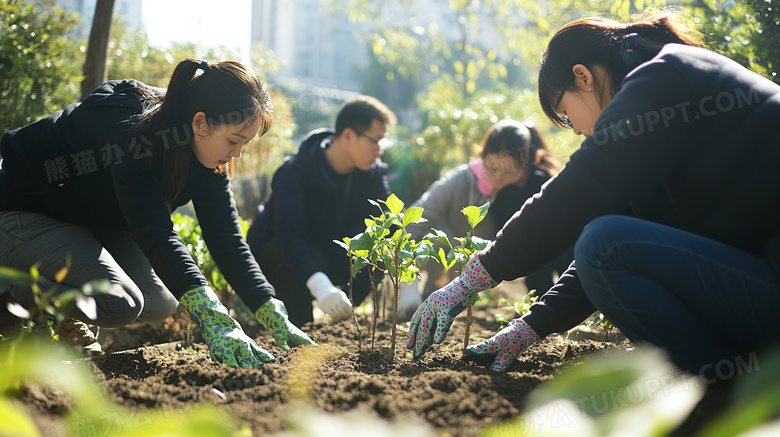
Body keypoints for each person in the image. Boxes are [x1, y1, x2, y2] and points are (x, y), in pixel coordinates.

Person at [407, 11, 780, 378]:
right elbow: (626, 244)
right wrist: (531, 327)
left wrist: (474, 276)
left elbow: (579, 193)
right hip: (761, 285)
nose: (576, 131)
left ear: (582, 77)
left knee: (600, 243)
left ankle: (721, 386)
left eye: (566, 115)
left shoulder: (667, 75)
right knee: (603, 244)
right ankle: (730, 380)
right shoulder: (667, 100)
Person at [0, 58, 315, 367]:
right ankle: (12, 298)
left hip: (84, 220)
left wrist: (268, 306)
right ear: (201, 122)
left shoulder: (208, 156)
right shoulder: (132, 135)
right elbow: (156, 233)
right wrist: (214, 318)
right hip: (21, 210)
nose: (237, 153)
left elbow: (227, 239)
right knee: (120, 303)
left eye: (243, 144)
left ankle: (56, 310)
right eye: (234, 140)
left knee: (159, 302)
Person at [398, 119, 572, 321]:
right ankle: (428, 294)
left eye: (507, 170)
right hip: (457, 259)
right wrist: (407, 286)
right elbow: (415, 220)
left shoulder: (532, 186)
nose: (497, 177)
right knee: (438, 235)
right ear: (481, 157)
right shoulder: (461, 181)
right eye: (490, 167)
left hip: (499, 263)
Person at [246, 96, 396, 326]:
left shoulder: (371, 175)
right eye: (375, 142)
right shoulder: (295, 173)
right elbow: (288, 234)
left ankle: (344, 319)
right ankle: (296, 320)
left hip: (336, 255)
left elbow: (389, 225)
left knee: (378, 249)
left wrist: (406, 282)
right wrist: (319, 284)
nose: (379, 151)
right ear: (347, 135)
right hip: (296, 258)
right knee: (275, 250)